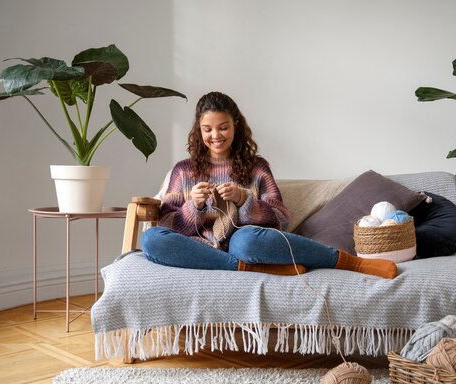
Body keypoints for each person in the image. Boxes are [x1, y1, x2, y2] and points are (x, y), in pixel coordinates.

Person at [141, 91, 397, 279]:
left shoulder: (257, 167)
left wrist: (244, 199)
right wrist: (192, 206)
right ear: (199, 129)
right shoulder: (183, 170)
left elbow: (281, 219)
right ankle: (246, 267)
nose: (215, 135)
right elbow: (165, 224)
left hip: (247, 242)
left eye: (223, 127)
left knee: (246, 241)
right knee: (151, 239)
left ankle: (351, 263)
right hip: (200, 248)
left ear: (235, 126)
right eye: (208, 129)